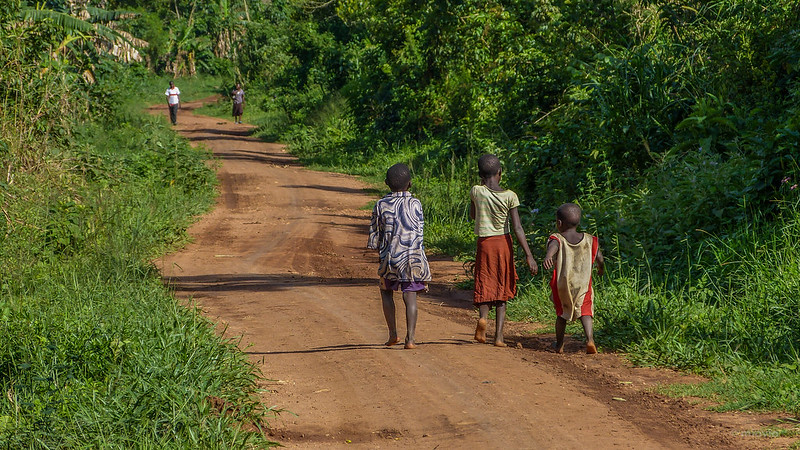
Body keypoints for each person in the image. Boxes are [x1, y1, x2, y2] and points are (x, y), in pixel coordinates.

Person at [469, 154, 538, 347]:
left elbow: (473, 215)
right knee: (502, 285)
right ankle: (499, 337)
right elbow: (517, 227)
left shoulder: (476, 191)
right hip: (503, 243)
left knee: (485, 280)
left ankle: (483, 318)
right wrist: (529, 255)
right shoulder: (510, 196)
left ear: (480, 175)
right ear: (500, 172)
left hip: (485, 243)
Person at [367, 163, 431, 349]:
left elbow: (375, 237)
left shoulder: (380, 205)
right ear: (410, 184)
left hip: (390, 259)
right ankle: (410, 339)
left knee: (385, 291)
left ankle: (392, 334)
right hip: (413, 259)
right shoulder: (416, 203)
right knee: (410, 296)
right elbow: (419, 231)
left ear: (386, 183)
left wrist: (379, 250)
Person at [543, 203, 605, 354]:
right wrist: (600, 269)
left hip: (562, 285)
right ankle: (590, 339)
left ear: (559, 223)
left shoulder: (557, 238)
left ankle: (559, 344)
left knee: (562, 314)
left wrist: (548, 257)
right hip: (583, 284)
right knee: (586, 311)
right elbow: (600, 259)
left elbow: (553, 247)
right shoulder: (590, 240)